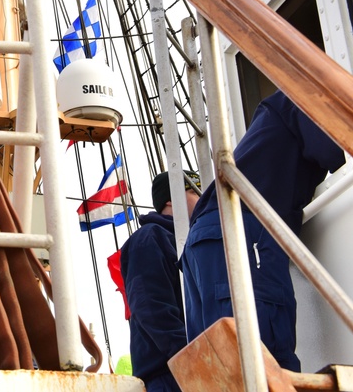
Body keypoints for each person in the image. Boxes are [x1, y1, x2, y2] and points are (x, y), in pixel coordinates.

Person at [180, 90, 345, 372]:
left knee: (222, 368)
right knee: (265, 362)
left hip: (203, 240)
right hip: (242, 226)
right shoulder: (304, 97)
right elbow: (338, 147)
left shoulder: (272, 113)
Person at [119, 170, 202, 391]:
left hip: (198, 367)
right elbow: (150, 306)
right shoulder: (149, 238)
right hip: (170, 373)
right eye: (194, 191)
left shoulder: (195, 244)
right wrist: (191, 354)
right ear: (171, 198)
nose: (203, 197)